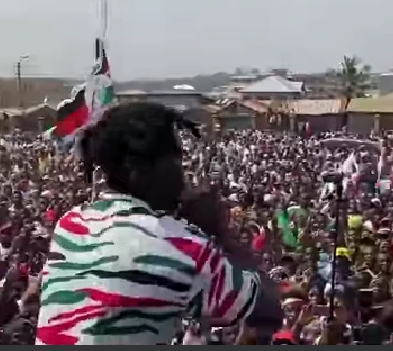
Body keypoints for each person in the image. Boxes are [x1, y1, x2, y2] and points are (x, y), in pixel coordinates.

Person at [34, 102, 282, 345]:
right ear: (138, 168)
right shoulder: (181, 247)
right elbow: (268, 311)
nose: (183, 176)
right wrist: (217, 232)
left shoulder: (71, 224)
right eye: (176, 161)